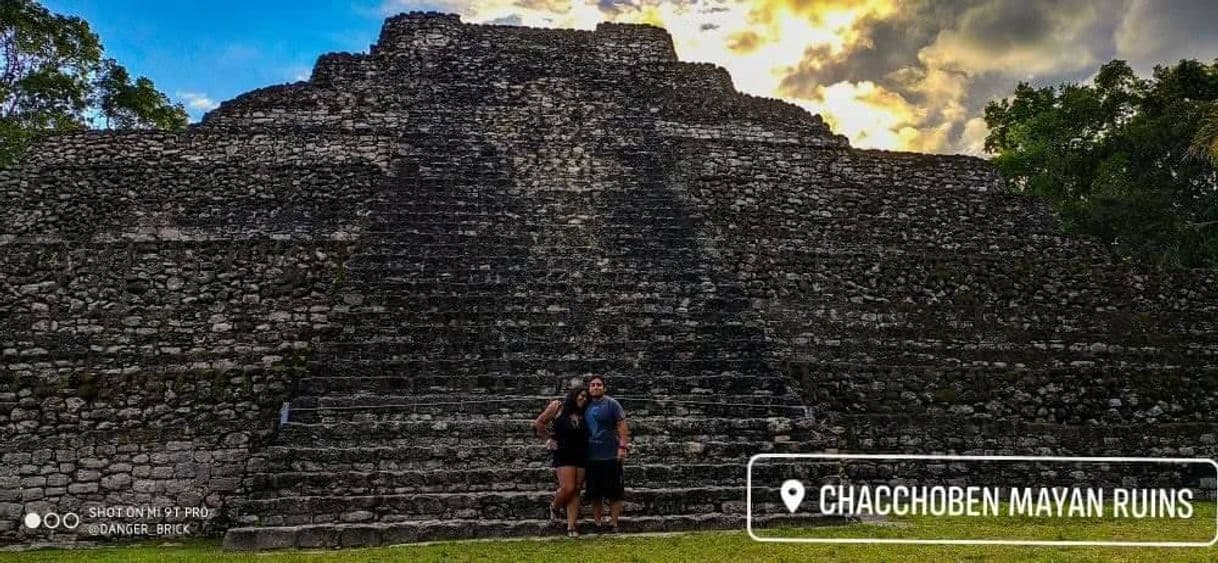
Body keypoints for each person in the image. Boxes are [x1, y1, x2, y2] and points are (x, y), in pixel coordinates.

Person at [534, 386, 589, 537]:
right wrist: (548, 440)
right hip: (564, 452)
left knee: (577, 489)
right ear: (574, 395)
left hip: (581, 453)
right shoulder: (558, 407)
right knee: (568, 487)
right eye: (581, 395)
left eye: (585, 397)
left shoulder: (584, 413)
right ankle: (555, 506)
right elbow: (539, 423)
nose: (583, 399)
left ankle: (571, 526)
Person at [583, 374, 629, 532]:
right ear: (589, 389)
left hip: (610, 454)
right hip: (591, 455)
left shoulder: (612, 404)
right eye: (593, 385)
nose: (596, 387)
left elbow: (622, 426)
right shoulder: (584, 404)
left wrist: (622, 447)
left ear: (604, 387)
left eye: (599, 385)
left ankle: (613, 522)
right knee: (595, 493)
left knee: (615, 491)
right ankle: (597, 522)